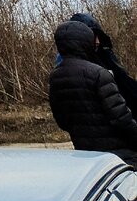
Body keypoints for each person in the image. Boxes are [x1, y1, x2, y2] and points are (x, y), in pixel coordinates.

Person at [49, 19, 137, 162]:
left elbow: (62, 121)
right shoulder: (99, 73)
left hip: (86, 155)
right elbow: (121, 118)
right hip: (119, 154)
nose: (97, 42)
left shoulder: (56, 76)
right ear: (84, 41)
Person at [68, 11, 137, 114]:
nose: (97, 41)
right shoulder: (69, 64)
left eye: (97, 36)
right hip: (114, 123)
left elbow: (124, 81)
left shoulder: (104, 53)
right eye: (92, 35)